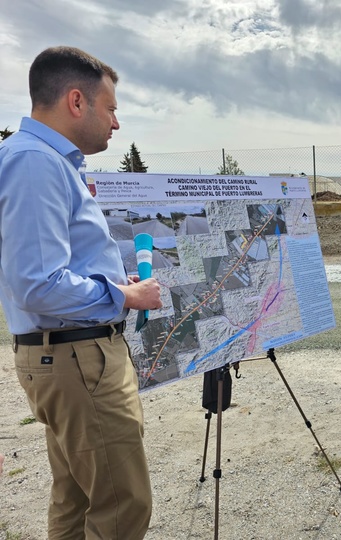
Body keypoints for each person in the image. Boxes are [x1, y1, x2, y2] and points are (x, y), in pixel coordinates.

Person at [0, 46, 162, 539]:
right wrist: (125, 297)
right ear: (76, 101)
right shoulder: (35, 163)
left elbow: (52, 270)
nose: (116, 124)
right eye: (110, 108)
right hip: (76, 358)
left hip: (69, 357)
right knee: (121, 507)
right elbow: (40, 285)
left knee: (76, 498)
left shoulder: (50, 162)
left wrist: (115, 288)